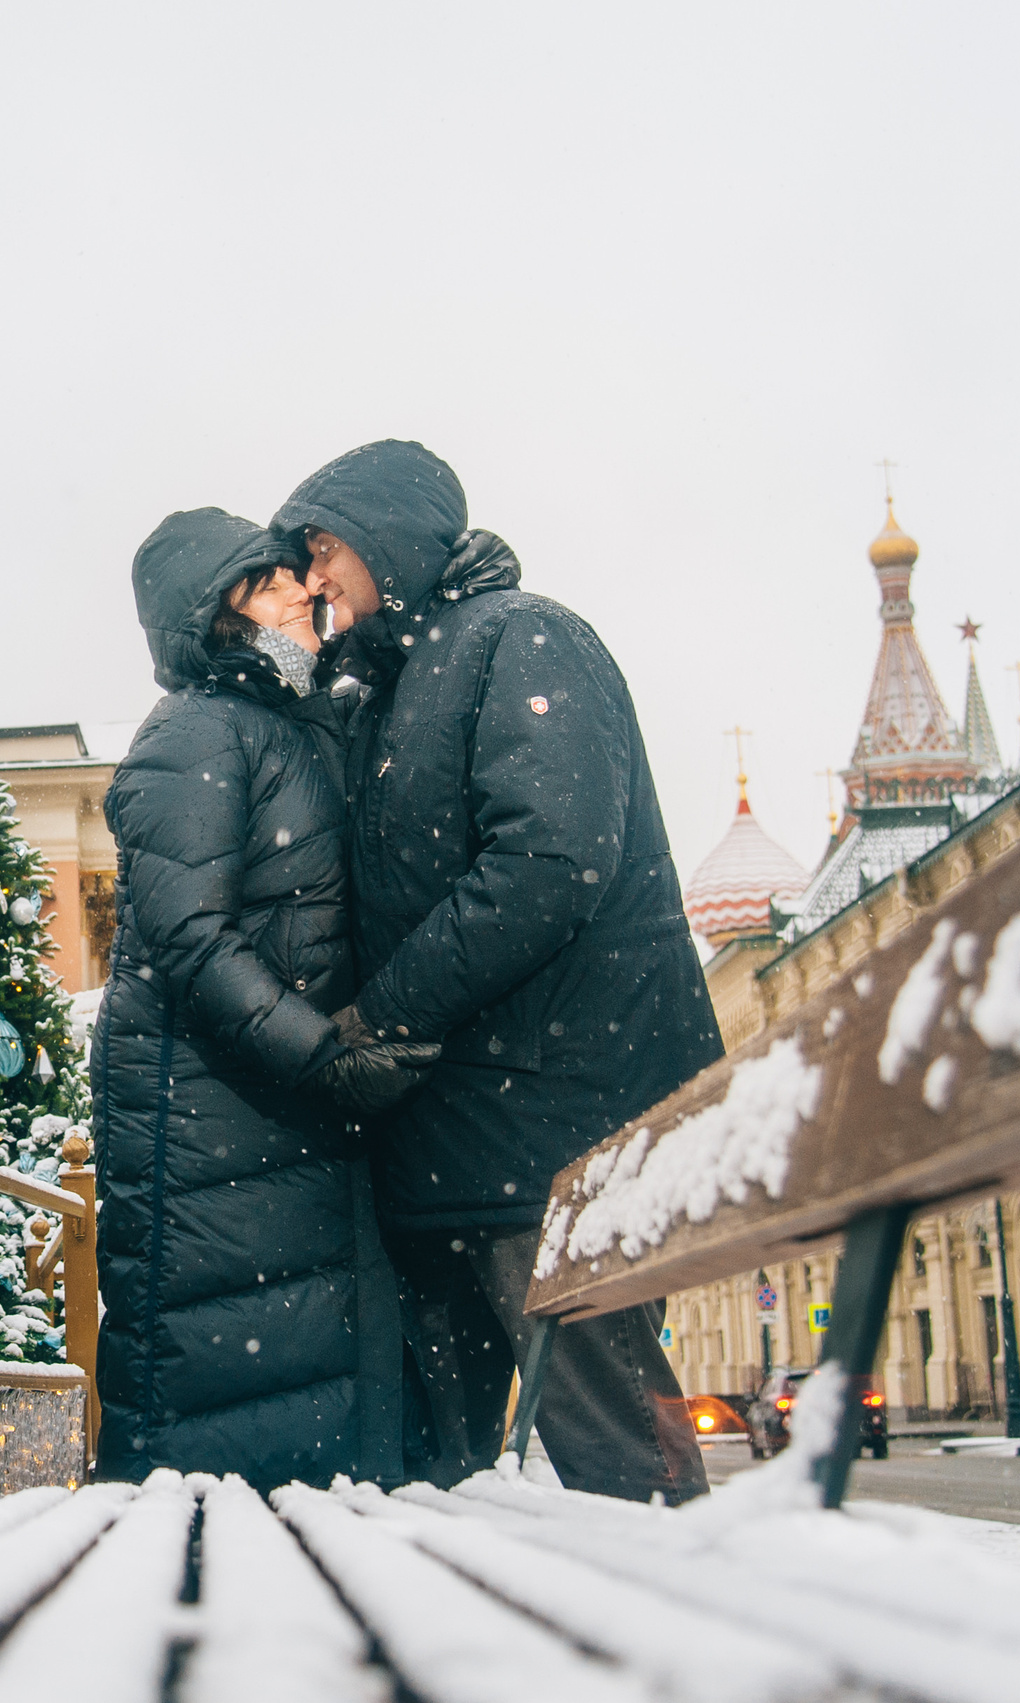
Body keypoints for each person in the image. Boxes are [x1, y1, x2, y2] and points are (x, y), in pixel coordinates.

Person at [275, 440, 719, 1503]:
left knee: (621, 1460)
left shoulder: (522, 638)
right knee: (459, 1488)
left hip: (555, 1136)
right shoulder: (389, 687)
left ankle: (693, 1602)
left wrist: (383, 1015)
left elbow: (549, 863)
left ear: (390, 534)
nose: (313, 574)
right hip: (454, 1148)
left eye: (326, 545)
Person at [91, 507, 437, 1489]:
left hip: (271, 1112)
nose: (299, 587)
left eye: (293, 571)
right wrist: (319, 1054)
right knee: (215, 1418)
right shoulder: (196, 730)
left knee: (294, 1399)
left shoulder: (292, 719)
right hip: (209, 1120)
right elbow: (189, 936)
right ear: (213, 613)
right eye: (266, 579)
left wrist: (448, 585)